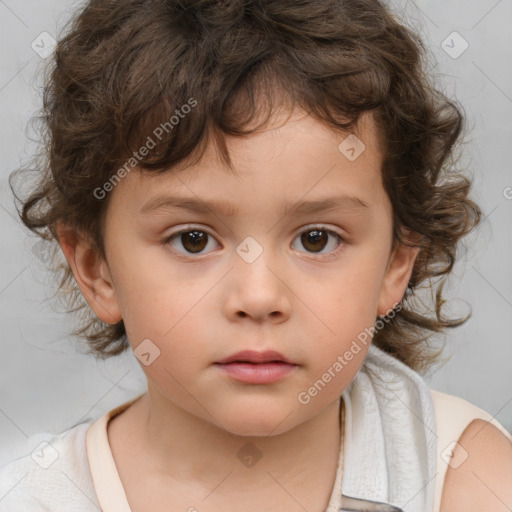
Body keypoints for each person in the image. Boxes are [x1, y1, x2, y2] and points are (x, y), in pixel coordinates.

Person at [1, 0, 511, 511]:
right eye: (193, 240)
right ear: (97, 270)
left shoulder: (460, 478)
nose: (260, 297)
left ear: (396, 264)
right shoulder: (32, 497)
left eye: (316, 239)